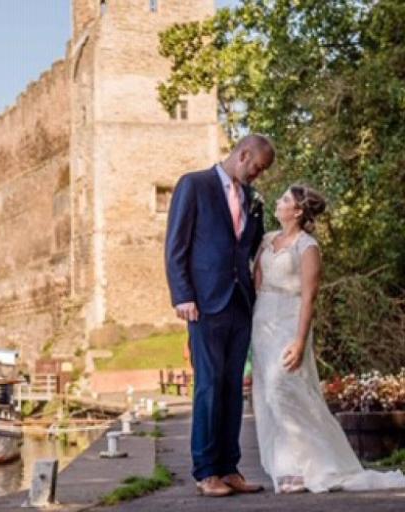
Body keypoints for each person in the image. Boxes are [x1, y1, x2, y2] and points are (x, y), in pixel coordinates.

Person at [250, 185, 405, 493]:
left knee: (285, 389)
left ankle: (318, 464)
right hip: (262, 319)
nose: (278, 203)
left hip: (290, 321)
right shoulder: (267, 240)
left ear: (296, 211)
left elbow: (309, 297)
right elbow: (257, 280)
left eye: (284, 200)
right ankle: (288, 470)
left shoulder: (308, 247)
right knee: (268, 393)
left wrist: (299, 339)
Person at [165, 134, 275, 497]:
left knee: (232, 390)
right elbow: (176, 246)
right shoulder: (193, 185)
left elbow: (249, 246)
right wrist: (183, 295)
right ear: (243, 155)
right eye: (257, 167)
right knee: (209, 387)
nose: (258, 176)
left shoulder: (250, 198)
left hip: (240, 303)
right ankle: (206, 471)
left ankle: (230, 469)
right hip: (204, 304)